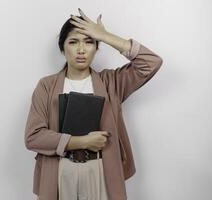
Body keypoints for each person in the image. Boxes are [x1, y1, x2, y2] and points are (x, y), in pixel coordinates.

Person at [24, 8, 163, 200]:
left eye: (89, 42)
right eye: (73, 42)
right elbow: (33, 137)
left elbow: (151, 63)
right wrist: (82, 141)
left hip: (101, 170)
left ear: (97, 48)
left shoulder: (111, 82)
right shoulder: (46, 86)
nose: (81, 50)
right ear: (63, 48)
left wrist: (105, 36)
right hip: (59, 170)